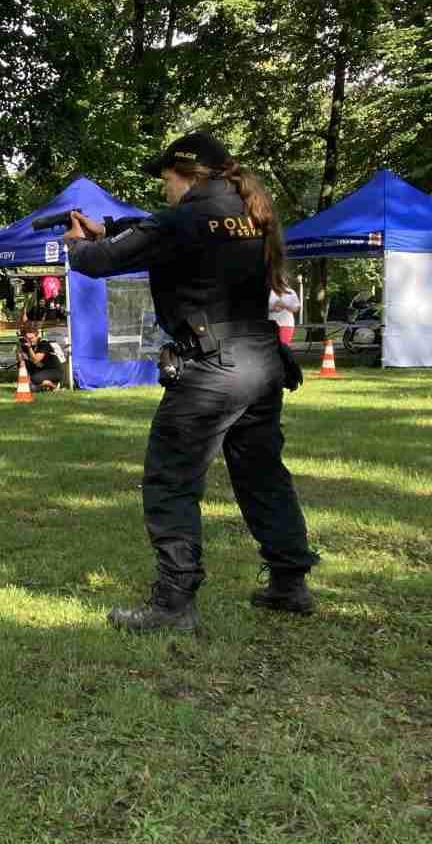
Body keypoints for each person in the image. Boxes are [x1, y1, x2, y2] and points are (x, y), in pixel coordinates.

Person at [65, 132, 317, 633]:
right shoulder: (252, 211)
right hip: (262, 360)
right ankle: (290, 582)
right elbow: (163, 234)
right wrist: (109, 227)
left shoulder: (182, 218)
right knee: (261, 472)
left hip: (211, 369)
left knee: (171, 478)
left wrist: (77, 243)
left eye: (165, 180)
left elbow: (101, 262)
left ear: (186, 175)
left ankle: (173, 603)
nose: (164, 189)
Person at [16, 325, 65, 391]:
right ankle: (33, 384)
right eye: (27, 338)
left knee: (34, 379)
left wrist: (29, 348)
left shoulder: (43, 343)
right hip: (41, 369)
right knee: (21, 363)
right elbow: (20, 359)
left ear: (37, 336)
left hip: (54, 370)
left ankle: (54, 385)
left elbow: (36, 360)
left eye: (31, 338)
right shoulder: (26, 344)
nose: (29, 340)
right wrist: (19, 350)